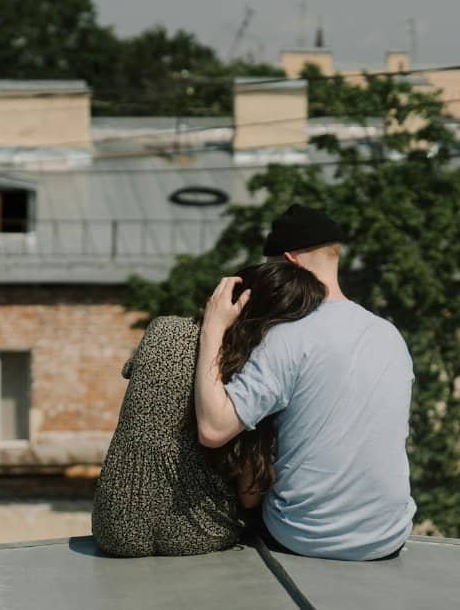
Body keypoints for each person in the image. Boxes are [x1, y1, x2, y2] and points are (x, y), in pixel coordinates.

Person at [194, 204, 417, 561]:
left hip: (304, 537)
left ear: (288, 263)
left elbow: (213, 428)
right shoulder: (389, 335)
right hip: (387, 538)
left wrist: (213, 328)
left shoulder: (288, 336)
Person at [92, 261, 326, 557]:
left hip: (114, 526)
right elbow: (250, 494)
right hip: (196, 533)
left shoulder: (163, 328)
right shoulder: (250, 372)